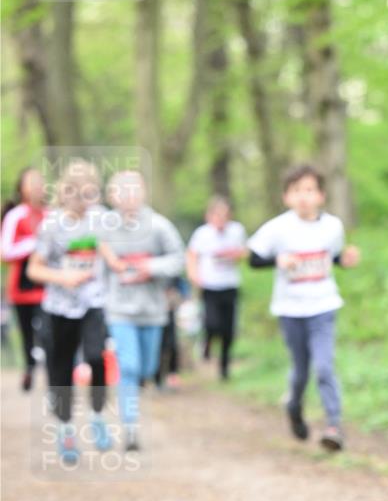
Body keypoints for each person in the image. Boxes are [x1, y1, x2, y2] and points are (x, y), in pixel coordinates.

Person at [247, 163, 360, 451]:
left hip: (323, 305)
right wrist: (278, 261)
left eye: (309, 190)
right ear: (287, 197)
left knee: (324, 366)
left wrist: (344, 261)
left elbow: (331, 258)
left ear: (321, 195)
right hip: (290, 309)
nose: (303, 197)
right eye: (297, 191)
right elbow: (253, 259)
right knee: (300, 371)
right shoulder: (277, 228)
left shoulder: (332, 226)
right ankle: (294, 407)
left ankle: (334, 425)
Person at [27, 159, 111, 462]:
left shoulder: (101, 218)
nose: (85, 201)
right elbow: (33, 269)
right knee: (60, 371)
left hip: (93, 303)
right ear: (65, 193)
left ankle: (98, 417)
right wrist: (63, 277)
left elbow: (110, 245)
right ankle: (65, 431)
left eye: (91, 194)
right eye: (79, 195)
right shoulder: (51, 225)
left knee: (95, 358)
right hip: (59, 308)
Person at [100, 170, 184, 451]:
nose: (128, 196)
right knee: (130, 366)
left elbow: (178, 259)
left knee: (146, 367)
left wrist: (150, 268)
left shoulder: (159, 226)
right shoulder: (105, 229)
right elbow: (98, 269)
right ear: (112, 196)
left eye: (134, 189)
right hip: (119, 311)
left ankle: (136, 395)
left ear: (144, 192)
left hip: (152, 311)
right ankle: (131, 428)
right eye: (121, 190)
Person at [186, 195, 246, 379]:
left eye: (224, 215)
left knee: (228, 329)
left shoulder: (237, 231)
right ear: (209, 216)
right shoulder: (202, 234)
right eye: (217, 215)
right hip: (210, 285)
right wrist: (194, 275)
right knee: (212, 323)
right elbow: (192, 255)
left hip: (230, 285)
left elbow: (245, 252)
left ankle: (224, 366)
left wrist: (235, 255)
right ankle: (207, 342)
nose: (220, 219)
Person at [1, 168, 48, 390]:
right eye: (31, 182)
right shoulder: (15, 216)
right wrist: (32, 245)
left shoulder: (52, 215)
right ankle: (30, 366)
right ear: (21, 187)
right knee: (27, 331)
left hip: (48, 285)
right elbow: (5, 251)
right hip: (21, 286)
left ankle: (50, 369)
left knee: (46, 329)